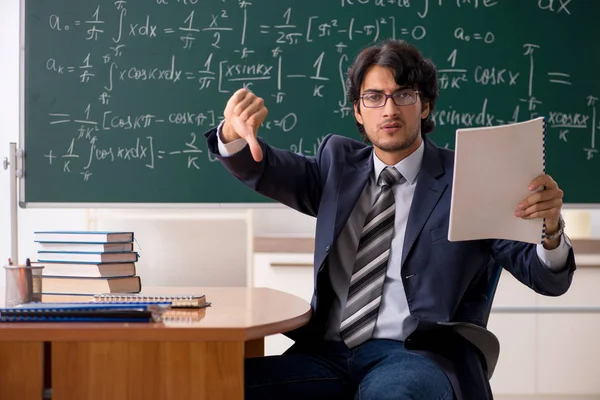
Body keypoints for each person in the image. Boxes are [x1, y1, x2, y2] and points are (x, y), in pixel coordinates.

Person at [204, 39, 576, 400]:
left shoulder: (467, 178)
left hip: (418, 356)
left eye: (404, 94)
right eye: (374, 97)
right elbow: (266, 167)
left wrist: (552, 229)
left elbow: (546, 278)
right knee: (219, 385)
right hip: (328, 354)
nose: (389, 109)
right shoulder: (338, 166)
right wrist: (233, 133)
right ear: (358, 110)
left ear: (425, 105)